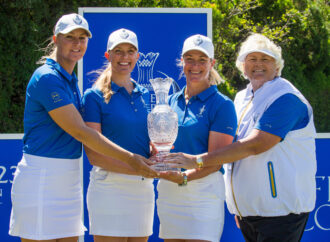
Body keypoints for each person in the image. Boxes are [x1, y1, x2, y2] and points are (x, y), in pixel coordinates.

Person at [9, 15, 157, 242]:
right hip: (42, 178)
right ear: (55, 39)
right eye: (70, 37)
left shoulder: (68, 81)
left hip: (69, 181)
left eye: (82, 38)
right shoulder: (47, 78)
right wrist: (131, 159)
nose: (77, 43)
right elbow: (81, 132)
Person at [164, 33, 317, 242]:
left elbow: (255, 144)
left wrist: (197, 160)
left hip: (281, 212)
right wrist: (239, 206)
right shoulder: (242, 98)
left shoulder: (286, 98)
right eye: (251, 59)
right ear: (242, 66)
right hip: (250, 213)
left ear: (277, 66)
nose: (258, 65)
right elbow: (233, 151)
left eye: (265, 59)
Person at [156, 34, 237, 242]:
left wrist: (184, 178)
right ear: (181, 62)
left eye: (202, 60)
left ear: (212, 63)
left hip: (203, 194)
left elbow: (216, 158)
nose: (195, 66)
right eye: (189, 59)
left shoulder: (222, 105)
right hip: (169, 191)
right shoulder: (170, 102)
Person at [82, 28, 155, 242]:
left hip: (142, 187)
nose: (125, 57)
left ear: (137, 56)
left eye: (130, 51)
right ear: (108, 55)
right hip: (109, 187)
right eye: (118, 51)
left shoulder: (146, 94)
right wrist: (138, 167)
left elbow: (146, 141)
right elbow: (94, 155)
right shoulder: (93, 97)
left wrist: (156, 153)